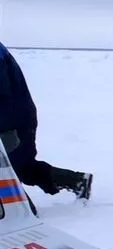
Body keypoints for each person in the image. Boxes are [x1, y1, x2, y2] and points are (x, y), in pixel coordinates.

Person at [0, 42, 93, 204]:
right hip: (15, 116)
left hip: (12, 121)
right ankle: (75, 181)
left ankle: (19, 215)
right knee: (22, 167)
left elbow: (4, 96)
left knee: (8, 171)